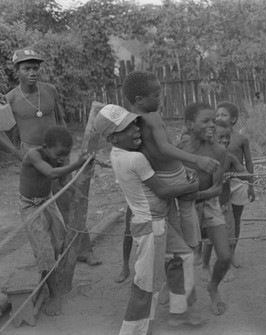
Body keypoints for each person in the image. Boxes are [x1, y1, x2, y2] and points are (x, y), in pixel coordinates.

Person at [94, 105, 201, 334]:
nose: (135, 130)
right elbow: (162, 191)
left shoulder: (119, 154)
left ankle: (179, 311)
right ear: (113, 137)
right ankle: (132, 331)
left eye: (134, 123)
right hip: (151, 226)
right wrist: (191, 186)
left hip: (155, 223)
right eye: (127, 128)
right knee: (145, 285)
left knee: (184, 256)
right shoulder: (135, 160)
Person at [115, 70, 218, 284]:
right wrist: (196, 160)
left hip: (163, 175)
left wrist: (183, 164)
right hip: (168, 177)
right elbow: (162, 147)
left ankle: (180, 253)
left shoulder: (134, 120)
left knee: (171, 217)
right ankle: (190, 247)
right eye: (157, 94)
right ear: (139, 100)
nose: (161, 98)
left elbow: (152, 150)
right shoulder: (149, 117)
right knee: (187, 209)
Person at [4, 47, 101, 266]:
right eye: (26, 68)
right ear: (16, 70)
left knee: (68, 199)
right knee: (39, 205)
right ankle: (48, 256)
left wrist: (66, 149)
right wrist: (18, 152)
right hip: (33, 159)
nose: (32, 72)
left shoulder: (50, 90)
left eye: (35, 67)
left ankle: (84, 250)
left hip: (57, 154)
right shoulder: (10, 99)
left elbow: (61, 120)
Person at [19, 125, 91, 316]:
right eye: (59, 155)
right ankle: (54, 294)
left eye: (65, 155)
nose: (61, 159)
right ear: (44, 146)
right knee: (45, 250)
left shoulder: (56, 158)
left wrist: (76, 192)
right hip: (31, 206)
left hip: (47, 200)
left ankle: (49, 273)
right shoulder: (33, 155)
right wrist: (76, 164)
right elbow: (51, 174)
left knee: (59, 242)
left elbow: (62, 180)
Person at [182, 102, 232, 316]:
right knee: (181, 256)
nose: (212, 125)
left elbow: (217, 188)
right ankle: (175, 289)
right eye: (206, 121)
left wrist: (198, 196)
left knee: (224, 256)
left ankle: (213, 286)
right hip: (184, 204)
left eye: (213, 120)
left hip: (207, 202)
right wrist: (188, 198)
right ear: (189, 125)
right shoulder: (180, 149)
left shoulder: (218, 151)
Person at [201, 119, 248, 283]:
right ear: (210, 137)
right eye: (220, 137)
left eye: (227, 137)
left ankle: (224, 268)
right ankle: (205, 266)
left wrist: (234, 175)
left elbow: (246, 175)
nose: (225, 140)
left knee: (228, 238)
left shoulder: (230, 158)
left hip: (225, 204)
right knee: (208, 241)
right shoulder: (203, 158)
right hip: (209, 205)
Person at [215, 101, 254, 268]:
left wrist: (251, 185)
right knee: (219, 219)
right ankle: (220, 254)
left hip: (238, 182)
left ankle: (232, 253)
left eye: (223, 115)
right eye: (217, 115)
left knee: (236, 220)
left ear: (234, 119)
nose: (219, 117)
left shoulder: (241, 139)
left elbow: (249, 163)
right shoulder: (212, 138)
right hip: (219, 182)